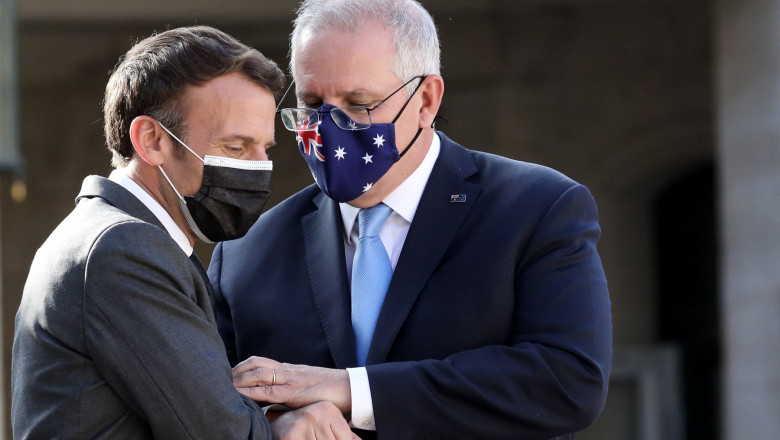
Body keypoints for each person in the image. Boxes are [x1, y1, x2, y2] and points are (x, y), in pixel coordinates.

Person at [209, 1, 613, 439]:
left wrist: (353, 390)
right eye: (311, 104)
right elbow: (208, 405)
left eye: (357, 103)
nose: (327, 127)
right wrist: (272, 423)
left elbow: (568, 381)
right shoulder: (246, 253)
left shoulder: (535, 209)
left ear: (425, 100)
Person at [10, 25, 345, 440]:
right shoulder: (121, 248)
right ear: (152, 140)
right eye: (236, 148)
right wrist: (287, 423)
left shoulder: (114, 236)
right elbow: (220, 432)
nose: (260, 169)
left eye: (266, 149)